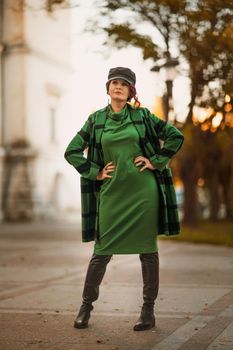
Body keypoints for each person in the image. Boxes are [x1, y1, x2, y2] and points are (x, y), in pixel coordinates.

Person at [64, 67, 184, 331]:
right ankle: (86, 308)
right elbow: (72, 151)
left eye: (124, 84)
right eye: (114, 83)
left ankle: (148, 312)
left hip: (143, 193)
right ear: (107, 88)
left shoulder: (142, 116)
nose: (118, 87)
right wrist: (94, 172)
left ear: (131, 91)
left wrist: (156, 161)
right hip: (111, 193)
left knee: (147, 251)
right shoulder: (95, 120)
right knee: (101, 251)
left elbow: (176, 136)